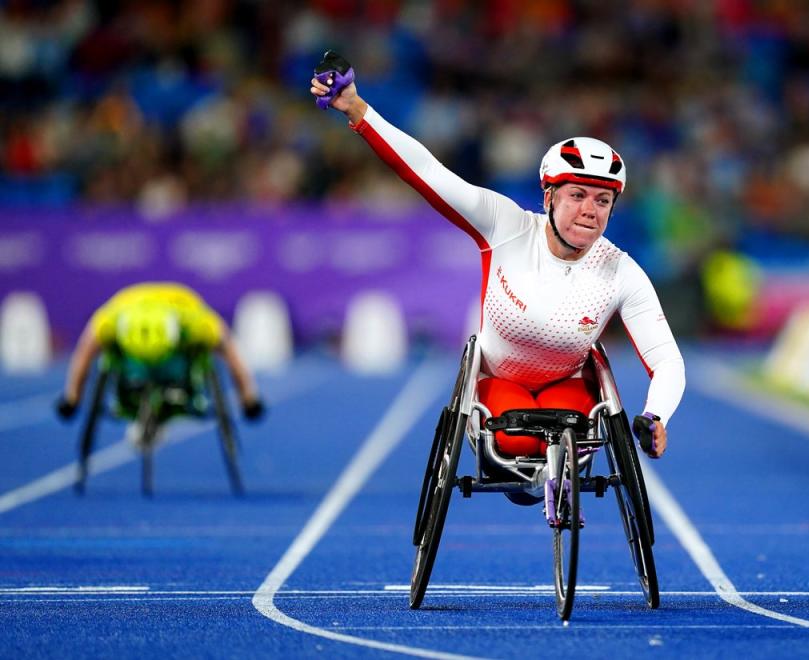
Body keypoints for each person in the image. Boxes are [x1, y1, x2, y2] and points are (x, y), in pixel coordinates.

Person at [310, 52, 684, 459]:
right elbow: (427, 172)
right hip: (501, 380)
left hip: (568, 386)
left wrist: (656, 415)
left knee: (572, 444)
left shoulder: (621, 271)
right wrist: (357, 109)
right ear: (549, 197)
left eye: (603, 200)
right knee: (516, 445)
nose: (590, 211)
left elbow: (666, 359)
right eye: (577, 196)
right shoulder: (505, 225)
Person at [55, 282, 264, 424]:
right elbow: (83, 353)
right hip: (130, 342)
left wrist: (248, 397)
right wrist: (72, 397)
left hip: (179, 338)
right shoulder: (109, 319)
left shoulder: (196, 321)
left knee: (205, 354)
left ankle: (169, 390)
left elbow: (233, 355)